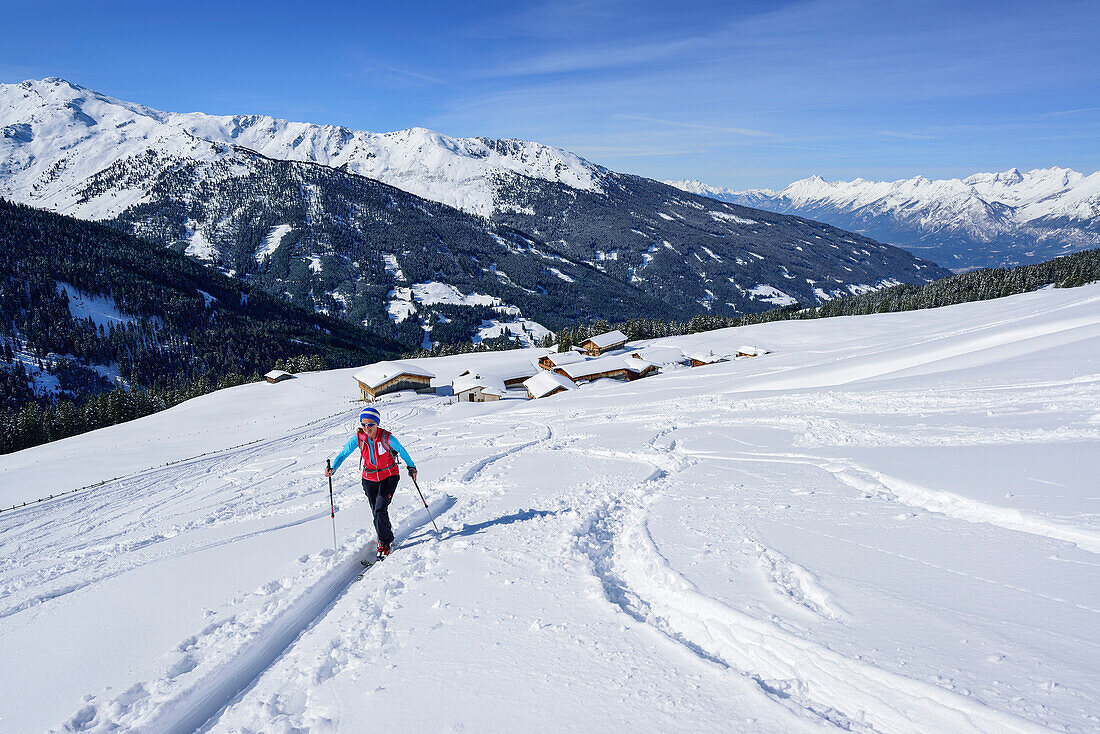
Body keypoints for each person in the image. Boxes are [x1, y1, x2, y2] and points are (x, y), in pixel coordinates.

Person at [326, 407, 418, 561]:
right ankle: (384, 535)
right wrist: (333, 468)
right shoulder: (359, 438)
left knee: (380, 509)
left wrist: (411, 467)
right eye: (363, 424)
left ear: (377, 424)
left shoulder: (387, 438)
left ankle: (385, 542)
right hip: (369, 479)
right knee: (376, 511)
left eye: (370, 425)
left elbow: (402, 451)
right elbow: (343, 454)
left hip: (389, 477)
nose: (366, 428)